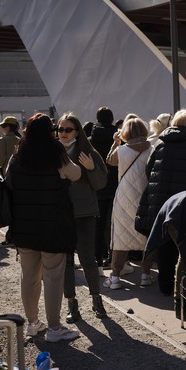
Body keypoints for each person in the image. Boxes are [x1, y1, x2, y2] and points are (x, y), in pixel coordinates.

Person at [5, 113, 82, 341]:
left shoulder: (18, 155)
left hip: (24, 227)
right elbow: (76, 174)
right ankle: (55, 328)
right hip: (53, 226)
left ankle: (32, 323)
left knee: (28, 276)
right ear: (49, 131)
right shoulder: (56, 153)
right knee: (53, 278)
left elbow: (8, 181)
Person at [135, 109, 186, 294]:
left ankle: (165, 286)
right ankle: (185, 288)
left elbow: (149, 170)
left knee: (164, 243)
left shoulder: (161, 142)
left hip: (160, 200)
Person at [56, 113, 109, 322]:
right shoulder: (53, 152)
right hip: (61, 214)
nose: (63, 133)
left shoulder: (87, 152)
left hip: (85, 213)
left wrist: (91, 168)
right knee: (65, 262)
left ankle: (97, 300)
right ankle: (72, 304)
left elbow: (101, 184)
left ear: (77, 131)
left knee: (87, 258)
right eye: (60, 129)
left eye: (67, 130)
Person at [105, 117, 153, 291]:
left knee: (120, 237)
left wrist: (116, 143)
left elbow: (110, 161)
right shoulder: (152, 149)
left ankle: (115, 277)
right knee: (147, 237)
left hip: (125, 194)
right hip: (146, 196)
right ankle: (146, 275)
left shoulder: (122, 150)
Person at [89, 107, 119, 268]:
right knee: (112, 223)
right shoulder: (118, 137)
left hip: (97, 184)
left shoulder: (91, 139)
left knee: (98, 223)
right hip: (115, 183)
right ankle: (112, 257)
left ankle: (98, 257)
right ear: (112, 118)